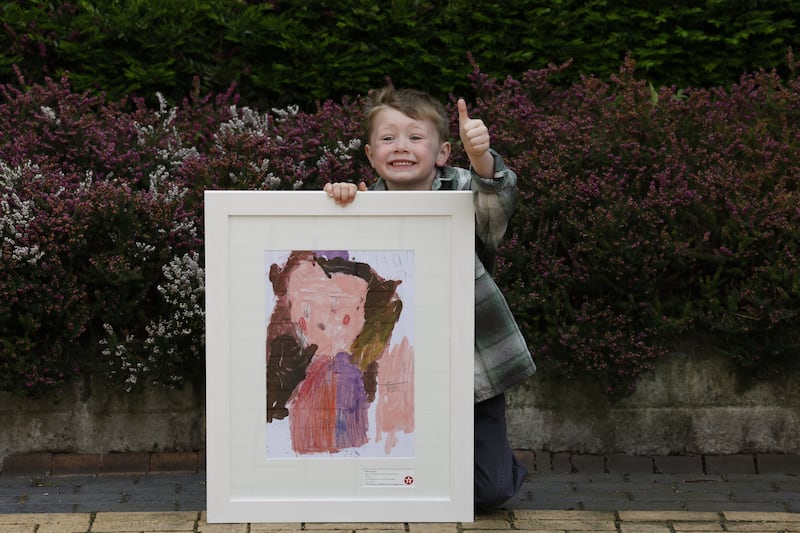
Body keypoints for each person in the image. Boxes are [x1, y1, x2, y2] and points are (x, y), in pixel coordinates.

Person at [324, 87, 536, 509]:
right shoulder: (362, 203)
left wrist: (482, 159)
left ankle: (489, 464)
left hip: (469, 364)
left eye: (415, 137)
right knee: (398, 474)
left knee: (489, 491)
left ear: (442, 153)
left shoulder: (463, 188)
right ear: (371, 155)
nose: (401, 146)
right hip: (396, 364)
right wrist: (339, 199)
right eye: (388, 138)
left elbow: (496, 200)